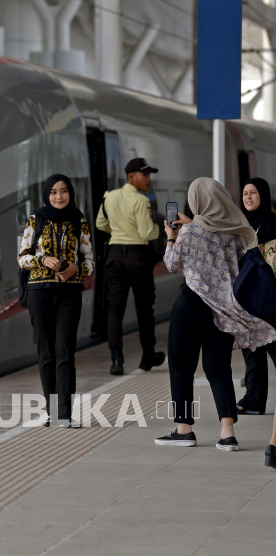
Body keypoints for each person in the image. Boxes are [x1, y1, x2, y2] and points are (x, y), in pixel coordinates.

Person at [155, 177, 276, 451]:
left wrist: (171, 239)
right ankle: (227, 434)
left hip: (190, 305)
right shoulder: (234, 234)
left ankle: (184, 429)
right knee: (218, 369)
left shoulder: (189, 232)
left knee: (181, 365)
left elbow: (172, 264)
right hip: (222, 309)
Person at [18, 174, 94, 427]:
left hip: (69, 292)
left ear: (70, 193)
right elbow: (22, 257)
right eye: (53, 192)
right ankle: (52, 412)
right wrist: (42, 260)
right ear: (46, 195)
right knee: (46, 353)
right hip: (39, 291)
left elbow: (90, 261)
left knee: (64, 351)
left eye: (63, 191)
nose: (59, 196)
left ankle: (65, 415)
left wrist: (77, 270)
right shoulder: (35, 219)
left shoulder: (79, 221)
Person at [96, 158, 166, 375]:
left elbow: (100, 224)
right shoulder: (141, 201)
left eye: (149, 174)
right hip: (137, 257)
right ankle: (148, 356)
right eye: (144, 175)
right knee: (144, 308)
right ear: (131, 177)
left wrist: (118, 231)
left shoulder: (110, 196)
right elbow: (147, 233)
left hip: (115, 256)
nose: (148, 179)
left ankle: (116, 360)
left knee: (114, 309)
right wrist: (159, 228)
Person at [238, 178, 276, 415]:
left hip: (269, 294)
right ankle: (254, 399)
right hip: (246, 295)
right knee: (251, 347)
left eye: (253, 193)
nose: (249, 197)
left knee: (273, 344)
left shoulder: (272, 224)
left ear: (263, 195)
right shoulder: (240, 225)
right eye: (245, 194)